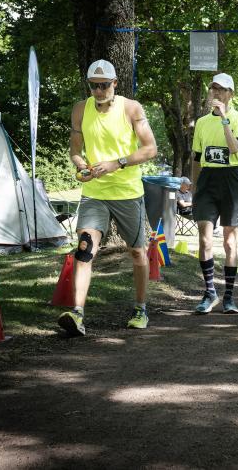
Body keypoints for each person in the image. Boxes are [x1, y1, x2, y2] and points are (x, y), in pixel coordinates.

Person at [58, 59, 158, 336]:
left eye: (104, 85)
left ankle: (140, 309)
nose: (99, 91)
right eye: (94, 86)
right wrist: (82, 167)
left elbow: (150, 149)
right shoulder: (80, 110)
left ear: (115, 83)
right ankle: (77, 313)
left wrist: (118, 163)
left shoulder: (131, 108)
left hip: (128, 193)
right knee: (85, 248)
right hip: (95, 193)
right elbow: (76, 151)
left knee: (137, 252)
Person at [191, 73, 238, 315]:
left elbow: (235, 148)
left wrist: (224, 118)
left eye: (222, 90)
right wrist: (195, 188)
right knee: (204, 238)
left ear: (231, 94)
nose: (217, 93)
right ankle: (209, 292)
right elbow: (196, 158)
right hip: (207, 180)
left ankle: (229, 296)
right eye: (214, 89)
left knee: (229, 241)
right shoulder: (202, 122)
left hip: (231, 179)